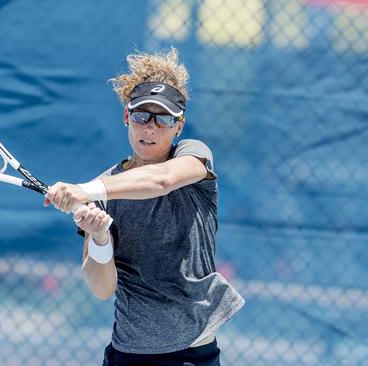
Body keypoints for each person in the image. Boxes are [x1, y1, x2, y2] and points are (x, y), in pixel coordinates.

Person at [43, 48, 244, 366]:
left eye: (163, 119)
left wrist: (85, 190)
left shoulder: (193, 156)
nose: (150, 127)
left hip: (194, 353)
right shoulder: (103, 191)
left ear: (179, 126)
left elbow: (162, 180)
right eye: (141, 116)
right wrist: (99, 239)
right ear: (126, 116)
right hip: (129, 353)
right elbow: (101, 288)